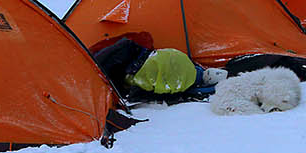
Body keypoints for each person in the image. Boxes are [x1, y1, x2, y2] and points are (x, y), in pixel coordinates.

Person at [92, 37, 224, 103]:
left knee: (121, 49)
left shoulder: (185, 61)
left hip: (135, 58)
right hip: (133, 69)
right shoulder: (186, 86)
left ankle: (89, 62)